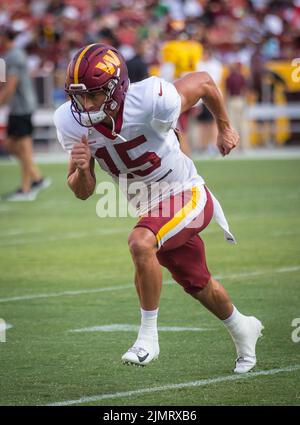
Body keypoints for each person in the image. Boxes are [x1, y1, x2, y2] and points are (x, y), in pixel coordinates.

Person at [54, 43, 264, 373]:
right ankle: (243, 327)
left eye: (94, 95)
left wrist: (224, 126)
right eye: (79, 96)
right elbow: (83, 191)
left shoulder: (152, 97)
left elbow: (206, 82)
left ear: (117, 88)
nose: (87, 104)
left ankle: (148, 337)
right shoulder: (71, 122)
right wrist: (81, 170)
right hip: (152, 208)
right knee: (198, 284)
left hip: (187, 193)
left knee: (140, 242)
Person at [0, 28, 51, 201]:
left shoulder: (14, 55)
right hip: (16, 108)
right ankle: (36, 179)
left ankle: (27, 187)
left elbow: (11, 85)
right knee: (13, 146)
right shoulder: (8, 56)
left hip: (21, 108)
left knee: (22, 148)